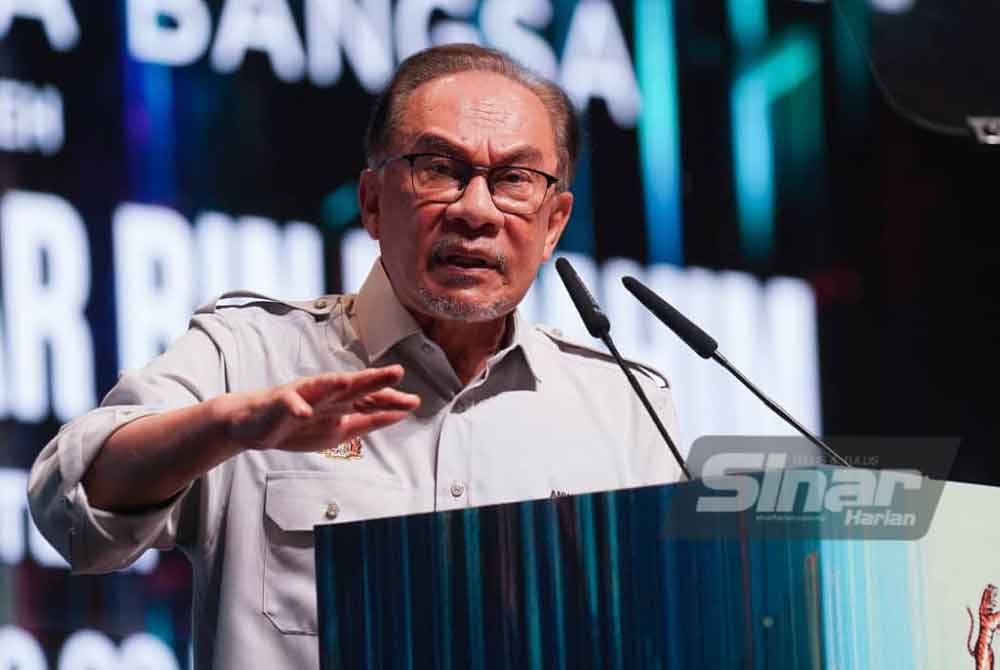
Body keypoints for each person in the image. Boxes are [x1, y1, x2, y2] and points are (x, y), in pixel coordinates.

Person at [28, 43, 682, 669]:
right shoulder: (249, 356)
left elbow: (671, 632)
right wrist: (226, 430)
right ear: (372, 203)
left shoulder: (623, 404)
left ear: (554, 223)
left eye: (514, 180)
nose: (475, 211)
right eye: (439, 170)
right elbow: (72, 511)